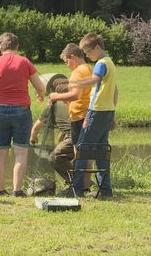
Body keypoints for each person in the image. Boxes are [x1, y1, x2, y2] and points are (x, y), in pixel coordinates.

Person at [0, 32, 45, 197]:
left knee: (0, 151)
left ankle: (0, 189)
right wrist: (40, 94)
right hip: (21, 109)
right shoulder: (25, 62)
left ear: (1, 48)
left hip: (0, 109)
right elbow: (40, 86)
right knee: (21, 152)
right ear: (17, 47)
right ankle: (17, 190)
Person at [68, 33, 118, 197]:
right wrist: (113, 112)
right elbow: (115, 90)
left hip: (96, 111)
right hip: (107, 111)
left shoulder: (101, 64)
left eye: (88, 52)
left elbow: (94, 80)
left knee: (83, 149)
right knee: (101, 150)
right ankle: (105, 189)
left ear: (97, 47)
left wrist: (75, 83)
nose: (88, 55)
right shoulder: (110, 63)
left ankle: (77, 189)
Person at [48, 43, 94, 193]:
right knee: (86, 154)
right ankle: (85, 186)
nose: (67, 66)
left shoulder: (78, 72)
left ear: (73, 57)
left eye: (67, 61)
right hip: (87, 114)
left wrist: (56, 96)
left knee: (78, 153)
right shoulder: (89, 69)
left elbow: (76, 95)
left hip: (79, 116)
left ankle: (78, 187)